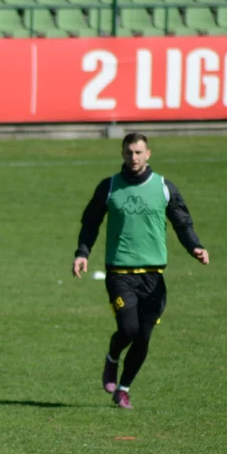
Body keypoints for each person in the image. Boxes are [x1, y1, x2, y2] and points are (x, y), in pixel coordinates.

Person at [71, 132, 209, 409]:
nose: (133, 157)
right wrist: (82, 253)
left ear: (148, 154)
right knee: (129, 329)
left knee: (143, 336)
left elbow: (182, 222)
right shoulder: (110, 187)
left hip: (153, 276)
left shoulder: (163, 187)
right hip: (120, 274)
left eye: (138, 152)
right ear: (122, 154)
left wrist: (194, 246)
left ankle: (123, 389)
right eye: (128, 152)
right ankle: (112, 357)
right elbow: (90, 222)